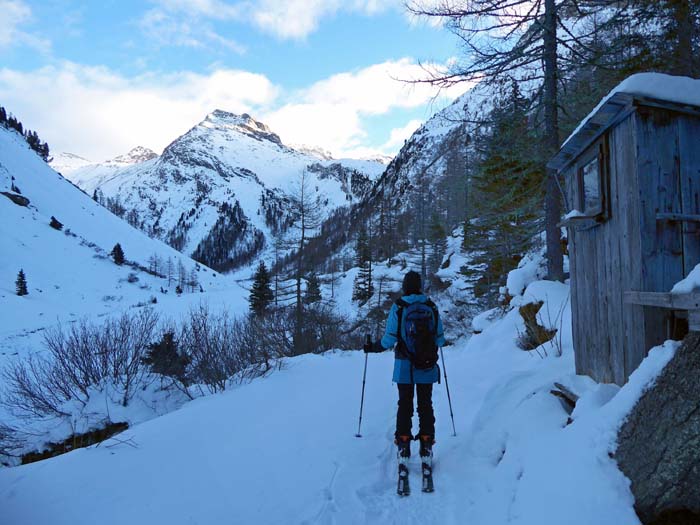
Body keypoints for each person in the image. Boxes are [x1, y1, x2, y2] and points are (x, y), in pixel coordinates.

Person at [364, 270, 445, 463]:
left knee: (405, 404)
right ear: (420, 286)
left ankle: (403, 443)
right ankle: (426, 443)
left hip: (404, 366)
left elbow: (389, 339)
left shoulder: (399, 307)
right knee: (425, 404)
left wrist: (372, 347)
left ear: (405, 286)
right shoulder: (431, 306)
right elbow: (440, 339)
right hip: (427, 365)